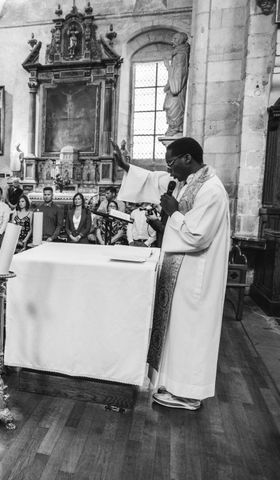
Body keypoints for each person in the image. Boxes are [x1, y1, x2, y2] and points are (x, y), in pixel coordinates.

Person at [113, 137, 230, 410]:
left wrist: (172, 214)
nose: (169, 169)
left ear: (188, 158)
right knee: (177, 330)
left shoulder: (211, 190)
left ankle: (188, 394)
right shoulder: (188, 182)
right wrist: (126, 166)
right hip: (181, 270)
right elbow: (155, 180)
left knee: (191, 331)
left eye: (172, 162)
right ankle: (174, 385)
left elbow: (197, 236)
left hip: (196, 276)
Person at [163, 32, 190, 137]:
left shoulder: (180, 55)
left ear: (180, 40)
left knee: (171, 107)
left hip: (176, 90)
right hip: (173, 87)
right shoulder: (178, 54)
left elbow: (177, 81)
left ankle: (175, 128)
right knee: (169, 106)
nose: (171, 41)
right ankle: (173, 128)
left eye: (174, 38)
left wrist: (168, 67)